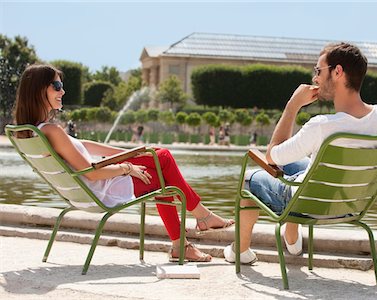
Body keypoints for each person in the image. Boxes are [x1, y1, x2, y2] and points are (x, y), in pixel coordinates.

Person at [13, 64, 234, 262]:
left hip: (94, 188)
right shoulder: (52, 130)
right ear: (40, 89)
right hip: (104, 189)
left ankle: (190, 233)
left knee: (159, 157)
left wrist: (128, 154)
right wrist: (127, 167)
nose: (62, 91)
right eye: (57, 85)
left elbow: (86, 146)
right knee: (163, 162)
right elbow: (90, 173)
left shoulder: (39, 130)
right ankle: (198, 221)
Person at [224, 43, 377, 264]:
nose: (315, 79)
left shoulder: (322, 126)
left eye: (318, 71)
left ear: (337, 72)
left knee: (249, 178)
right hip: (351, 204)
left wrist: (293, 105)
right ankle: (292, 235)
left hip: (310, 205)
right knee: (301, 165)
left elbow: (271, 156)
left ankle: (241, 251)